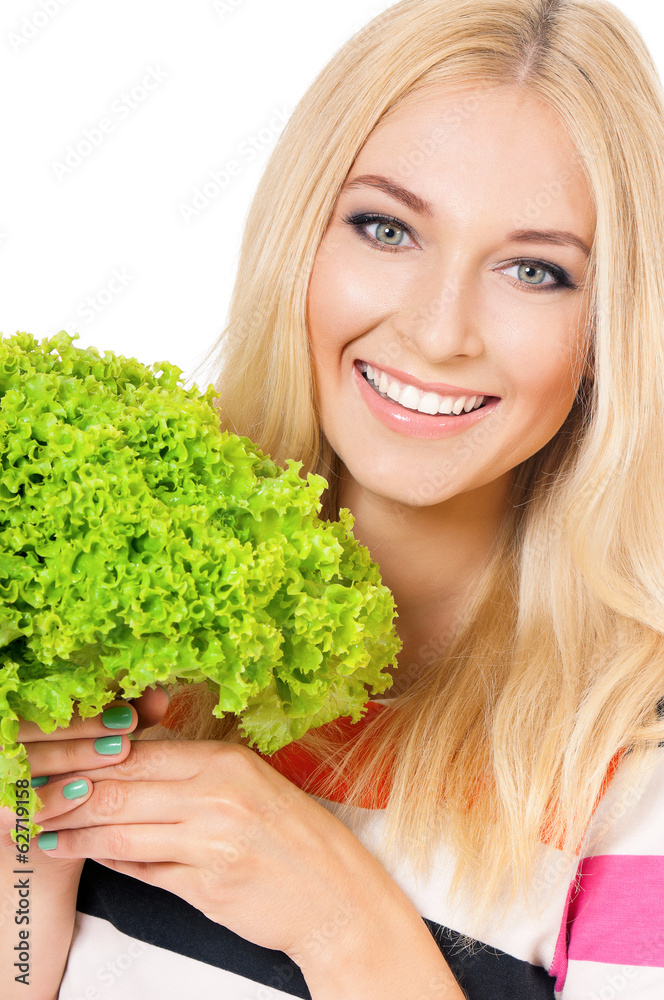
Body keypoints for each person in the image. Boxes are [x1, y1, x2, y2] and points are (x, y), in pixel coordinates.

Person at [3, 0, 664, 996]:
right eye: (385, 226)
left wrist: (342, 923)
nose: (440, 332)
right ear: (300, 237)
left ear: (611, 325)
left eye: (534, 270)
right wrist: (25, 852)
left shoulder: (631, 766)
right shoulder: (114, 633)